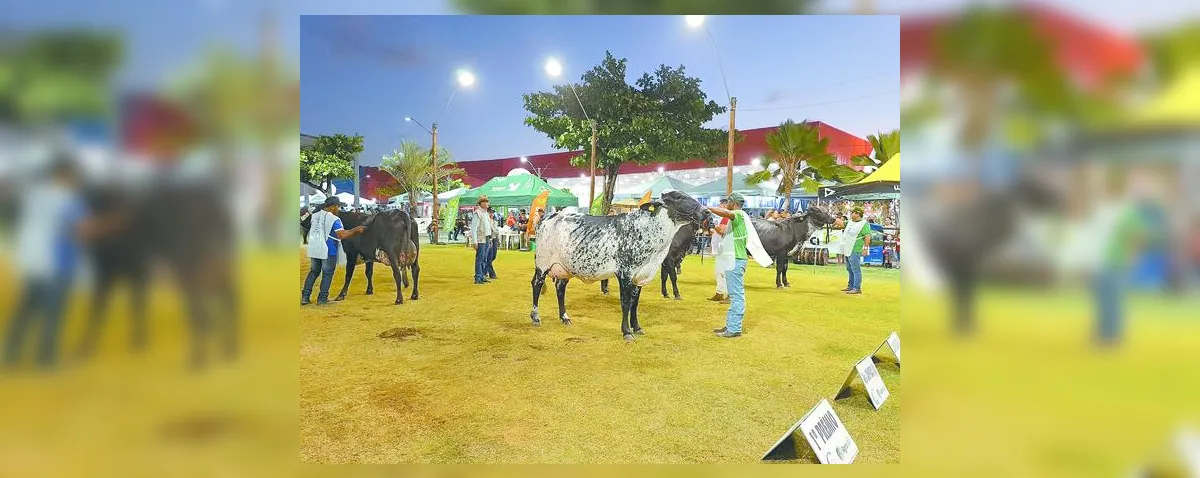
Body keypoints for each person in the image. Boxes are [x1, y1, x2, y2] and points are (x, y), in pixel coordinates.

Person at [4, 156, 111, 370]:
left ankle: (9, 355)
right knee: (54, 313)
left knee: (26, 309)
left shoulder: (34, 195)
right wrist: (113, 224)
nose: (80, 180)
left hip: (32, 262)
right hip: (57, 263)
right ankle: (46, 360)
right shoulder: (70, 200)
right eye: (77, 176)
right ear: (67, 175)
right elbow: (83, 230)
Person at [707, 193, 771, 338]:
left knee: (736, 296)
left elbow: (726, 213)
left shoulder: (738, 214)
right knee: (734, 294)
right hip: (733, 259)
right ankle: (731, 325)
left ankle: (734, 328)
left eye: (728, 202)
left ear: (732, 202)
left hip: (736, 260)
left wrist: (708, 208)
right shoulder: (739, 216)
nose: (726, 204)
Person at [302, 197, 367, 305]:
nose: (339, 209)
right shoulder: (334, 219)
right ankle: (322, 298)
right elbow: (342, 234)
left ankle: (305, 297)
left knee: (313, 272)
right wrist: (356, 229)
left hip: (315, 248)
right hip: (328, 249)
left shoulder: (315, 216)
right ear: (333, 207)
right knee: (327, 274)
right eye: (338, 206)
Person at [838, 207, 871, 295]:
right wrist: (828, 218)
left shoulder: (864, 224)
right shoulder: (850, 222)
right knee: (849, 268)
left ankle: (857, 288)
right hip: (847, 247)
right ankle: (850, 286)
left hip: (855, 248)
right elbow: (840, 223)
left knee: (856, 269)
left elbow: (867, 236)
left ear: (857, 213)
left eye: (852, 212)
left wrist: (865, 248)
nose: (851, 214)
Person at [708, 198, 733, 303]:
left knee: (725, 272)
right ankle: (720, 292)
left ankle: (729, 295)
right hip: (722, 247)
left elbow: (722, 231)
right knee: (719, 271)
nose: (720, 207)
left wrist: (713, 225)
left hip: (727, 248)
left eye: (721, 205)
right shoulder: (724, 218)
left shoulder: (727, 218)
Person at [469, 196, 496, 284]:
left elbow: (488, 227)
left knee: (484, 258)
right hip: (481, 239)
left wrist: (490, 239)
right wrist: (475, 241)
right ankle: (478, 277)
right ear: (481, 203)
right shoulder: (478, 213)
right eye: (486, 202)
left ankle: (482, 275)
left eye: (487, 202)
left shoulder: (485, 213)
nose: (488, 203)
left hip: (487, 238)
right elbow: (474, 228)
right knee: (480, 258)